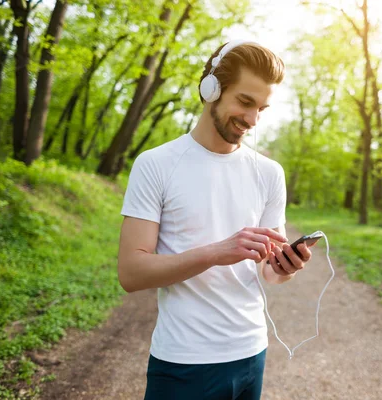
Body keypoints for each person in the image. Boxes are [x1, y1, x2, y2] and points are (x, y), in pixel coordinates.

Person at [117, 40, 316, 400]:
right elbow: (131, 274)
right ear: (211, 88)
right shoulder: (156, 164)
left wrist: (286, 267)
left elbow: (270, 272)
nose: (253, 120)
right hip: (182, 362)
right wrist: (216, 252)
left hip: (251, 353)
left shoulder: (270, 173)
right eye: (244, 102)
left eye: (262, 108)